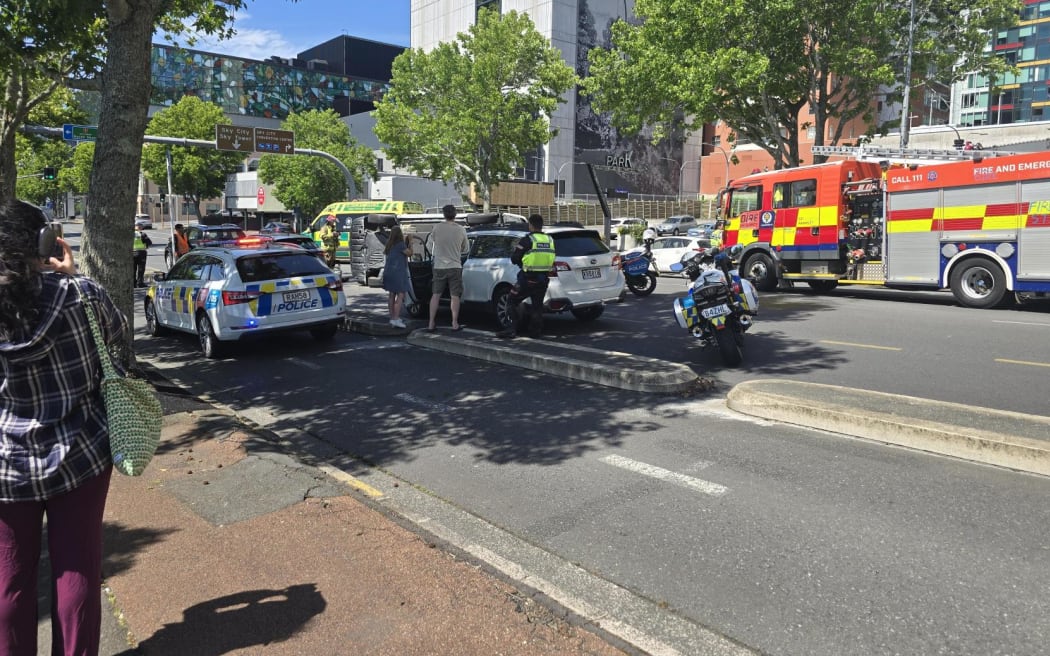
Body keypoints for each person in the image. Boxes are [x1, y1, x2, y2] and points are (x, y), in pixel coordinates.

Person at [0, 199, 126, 655]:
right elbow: (114, 338)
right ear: (43, 242)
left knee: (9, 581)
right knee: (77, 572)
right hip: (81, 457)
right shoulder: (80, 295)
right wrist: (71, 277)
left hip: (6, 467)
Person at [496, 213, 555, 339]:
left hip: (527, 278)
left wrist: (521, 263)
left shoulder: (528, 240)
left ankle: (510, 329)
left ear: (531, 225)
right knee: (537, 306)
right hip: (543, 279)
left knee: (511, 300)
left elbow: (515, 258)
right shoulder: (550, 240)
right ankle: (535, 332)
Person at [428, 204, 469, 331]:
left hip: (439, 265)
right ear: (455, 215)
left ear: (444, 214)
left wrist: (435, 255)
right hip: (455, 265)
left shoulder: (437, 228)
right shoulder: (461, 229)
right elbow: (465, 248)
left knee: (436, 295)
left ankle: (430, 323)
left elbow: (429, 246)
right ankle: (454, 323)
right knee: (454, 296)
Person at [381, 225, 413, 328]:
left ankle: (392, 318)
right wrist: (411, 242)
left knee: (391, 295)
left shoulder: (389, 244)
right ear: (400, 234)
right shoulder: (400, 245)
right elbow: (410, 253)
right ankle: (396, 318)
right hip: (397, 273)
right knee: (400, 295)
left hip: (388, 272)